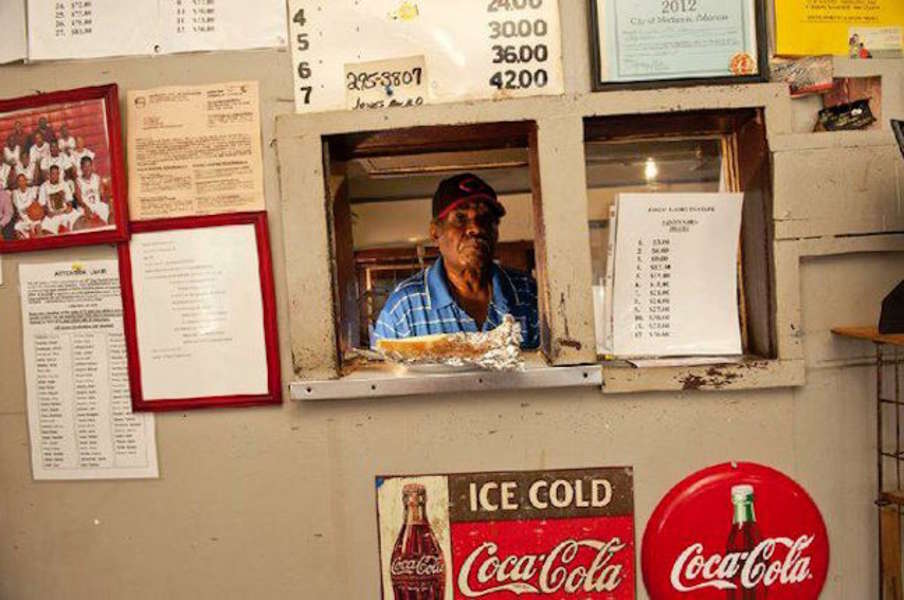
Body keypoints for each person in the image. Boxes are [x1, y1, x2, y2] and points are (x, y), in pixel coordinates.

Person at [373, 173, 539, 349]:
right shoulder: (405, 306)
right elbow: (381, 373)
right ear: (435, 232)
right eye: (460, 218)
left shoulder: (527, 292)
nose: (476, 228)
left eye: (486, 218)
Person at [38, 165, 78, 235]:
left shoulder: (64, 184)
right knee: (44, 230)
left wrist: (69, 207)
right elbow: (42, 205)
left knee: (79, 220)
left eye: (56, 174)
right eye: (53, 174)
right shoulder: (43, 186)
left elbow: (69, 200)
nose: (54, 176)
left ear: (59, 174)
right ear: (49, 175)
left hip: (65, 212)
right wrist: (47, 211)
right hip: (53, 214)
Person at [74, 156, 109, 225]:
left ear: (92, 166)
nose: (87, 169)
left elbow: (102, 195)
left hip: (97, 205)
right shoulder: (78, 181)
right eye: (84, 166)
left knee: (105, 208)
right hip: (84, 207)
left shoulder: (97, 178)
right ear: (81, 168)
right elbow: (79, 199)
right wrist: (86, 207)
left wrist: (105, 196)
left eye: (89, 166)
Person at [12, 174, 43, 239]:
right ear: (17, 183)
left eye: (23, 180)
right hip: (22, 218)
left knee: (38, 224)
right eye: (19, 181)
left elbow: (42, 188)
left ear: (26, 181)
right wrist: (17, 216)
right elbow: (15, 209)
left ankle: (39, 241)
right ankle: (25, 241)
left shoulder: (32, 190)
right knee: (16, 227)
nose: (22, 183)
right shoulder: (14, 193)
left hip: (33, 217)